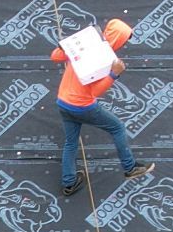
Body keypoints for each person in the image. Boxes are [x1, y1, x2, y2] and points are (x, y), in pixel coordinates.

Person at [51, 18, 153, 197]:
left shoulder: (87, 44)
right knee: (117, 127)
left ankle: (69, 182)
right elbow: (95, 91)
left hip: (63, 102)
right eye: (126, 39)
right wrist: (114, 74)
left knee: (71, 143)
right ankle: (130, 168)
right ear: (120, 39)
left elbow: (55, 57)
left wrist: (68, 46)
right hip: (82, 107)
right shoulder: (106, 59)